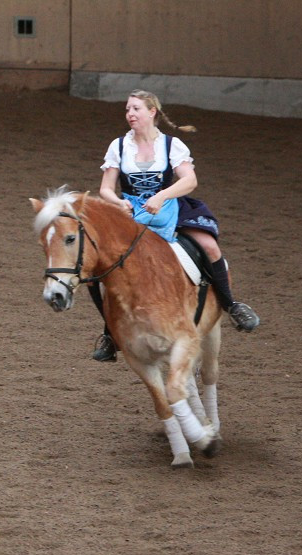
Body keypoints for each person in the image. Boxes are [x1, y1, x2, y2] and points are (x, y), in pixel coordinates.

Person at [90, 89, 260, 362]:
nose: (130, 114)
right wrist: (119, 202)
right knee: (97, 263)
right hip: (132, 213)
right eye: (127, 110)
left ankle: (231, 305)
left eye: (135, 109)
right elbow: (106, 189)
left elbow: (189, 181)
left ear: (151, 112)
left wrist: (161, 196)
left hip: (169, 207)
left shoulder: (172, 145)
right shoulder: (119, 146)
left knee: (208, 245)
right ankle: (109, 333)